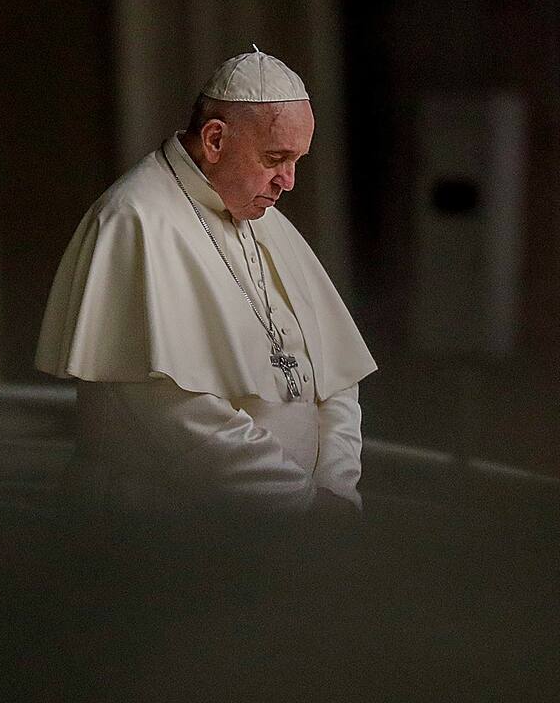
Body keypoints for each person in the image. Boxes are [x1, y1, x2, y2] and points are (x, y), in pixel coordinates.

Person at [35, 46, 377, 521]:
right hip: (168, 540)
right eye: (275, 158)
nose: (289, 181)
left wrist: (337, 490)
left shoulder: (265, 217)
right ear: (215, 139)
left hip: (291, 538)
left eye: (297, 160)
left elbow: (336, 384)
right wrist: (302, 504)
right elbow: (175, 414)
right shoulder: (135, 221)